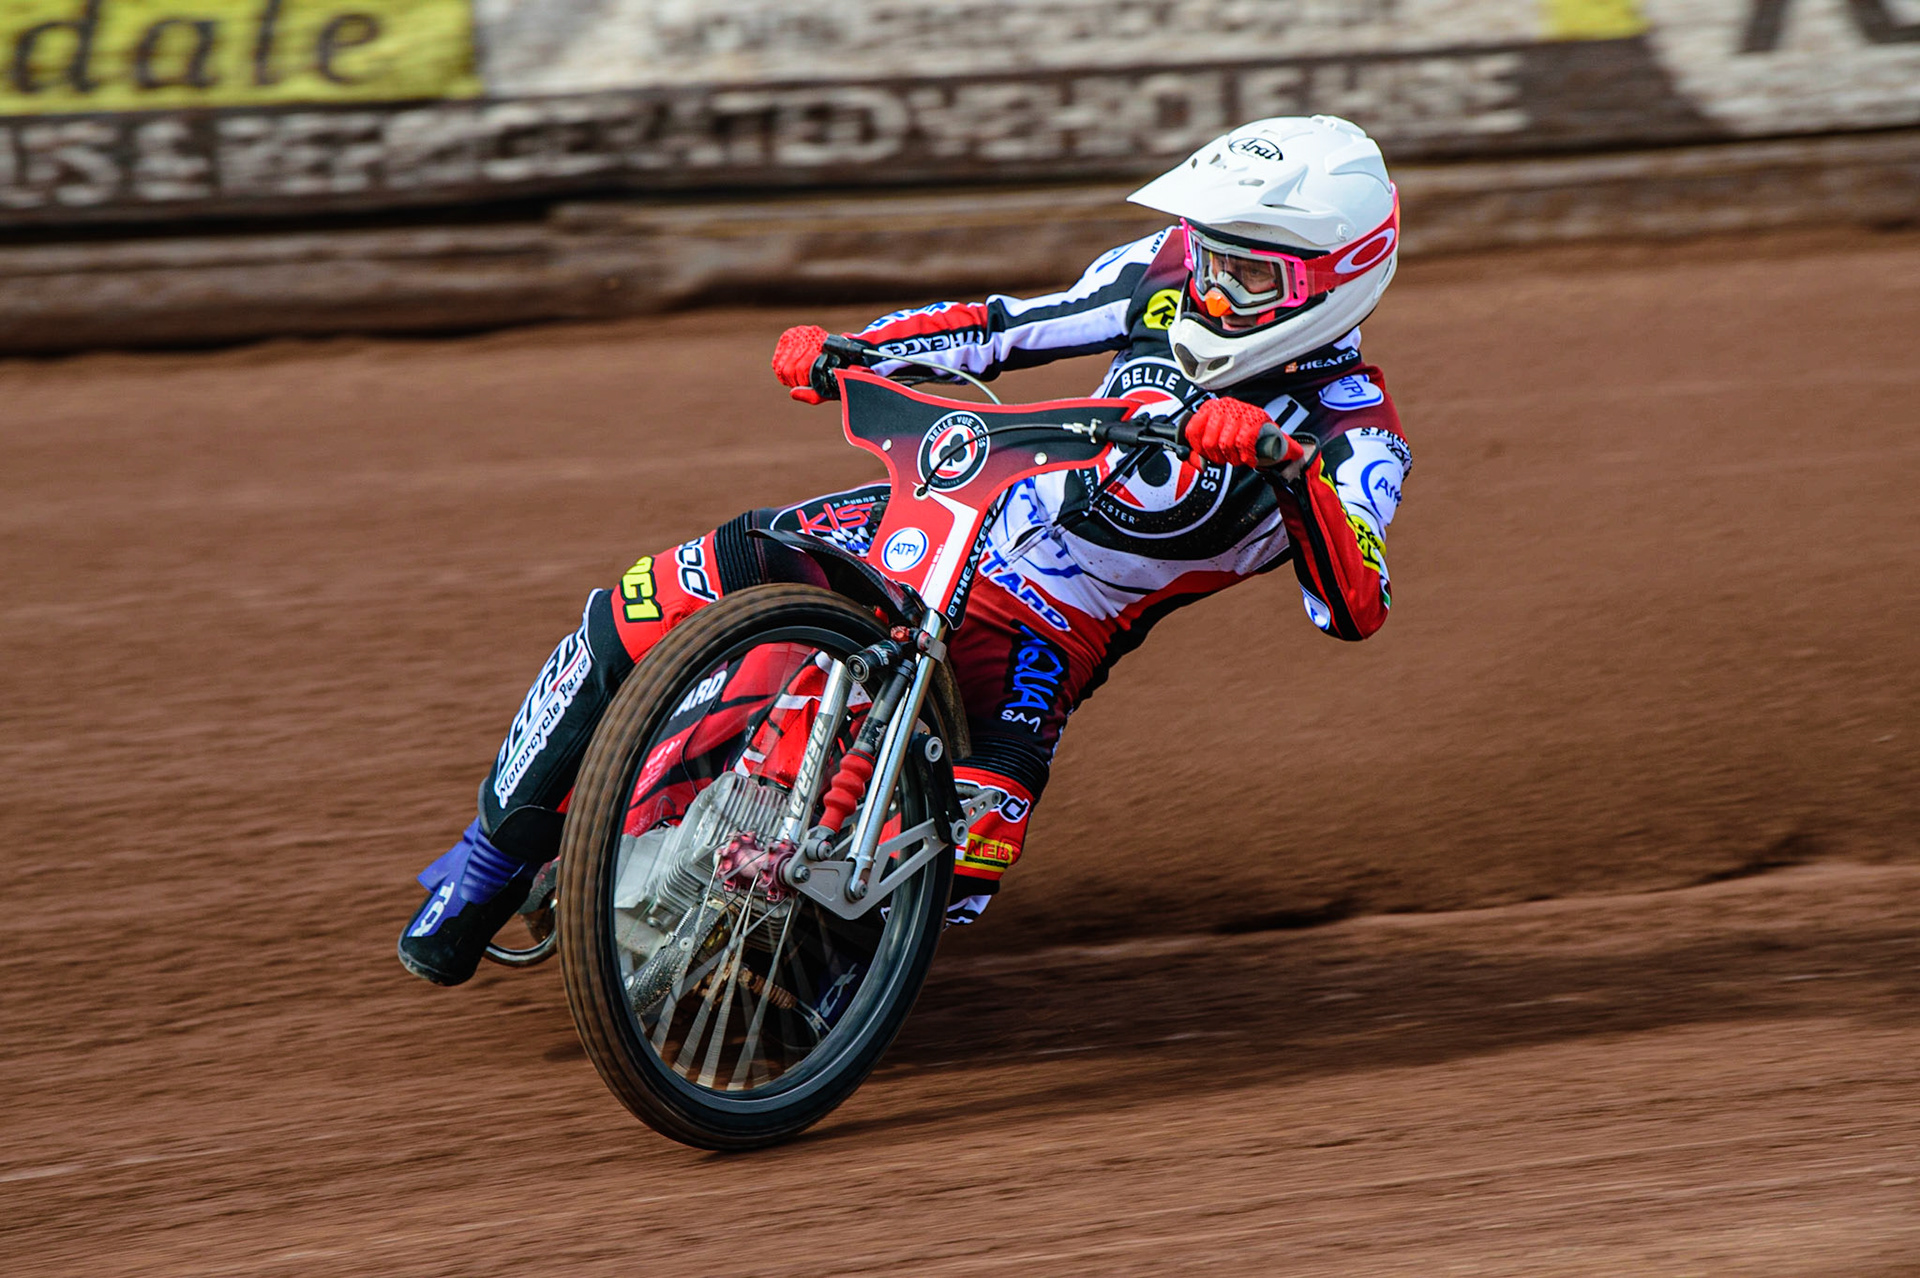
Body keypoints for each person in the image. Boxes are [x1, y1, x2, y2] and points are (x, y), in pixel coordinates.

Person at [399, 114, 1412, 987]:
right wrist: (857, 348)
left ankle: (822, 996)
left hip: (1046, 635)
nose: (1208, 281)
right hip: (939, 517)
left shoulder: (1354, 432)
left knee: (968, 856)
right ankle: (488, 858)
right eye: (1206, 249)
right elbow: (1003, 329)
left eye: (1244, 269)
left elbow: (1353, 604)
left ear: (1339, 281)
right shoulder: (1157, 281)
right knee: (658, 588)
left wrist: (1291, 471)